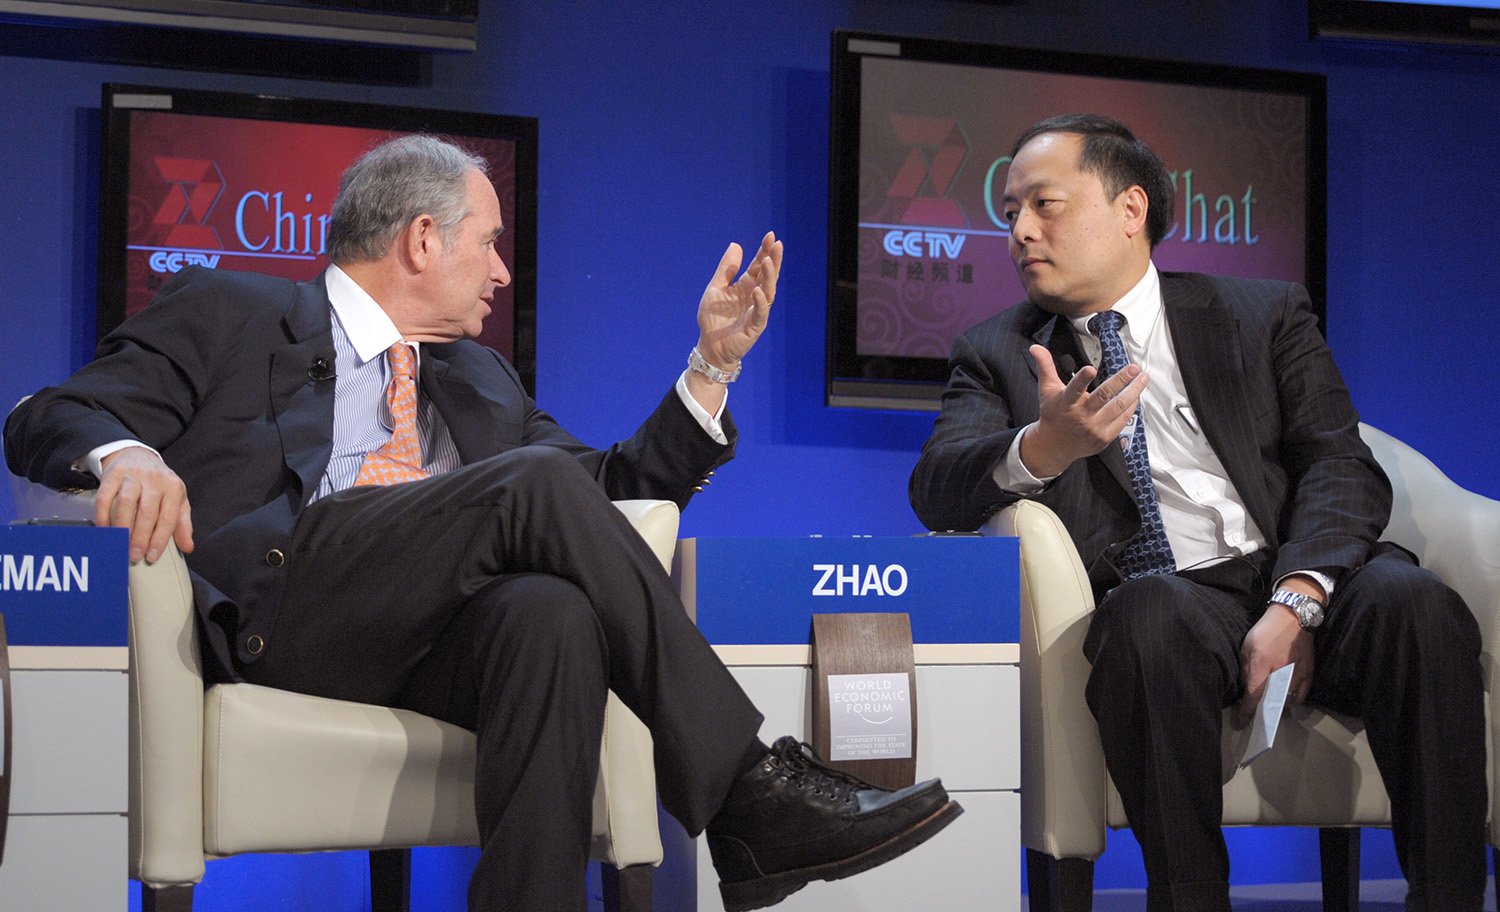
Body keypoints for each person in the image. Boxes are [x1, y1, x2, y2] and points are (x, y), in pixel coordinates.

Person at [6, 135, 963, 912]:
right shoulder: (232, 308)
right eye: (489, 243)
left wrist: (710, 370)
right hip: (284, 606)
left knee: (550, 611)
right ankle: (749, 788)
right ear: (423, 239)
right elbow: (46, 417)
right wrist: (124, 454)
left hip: (427, 638)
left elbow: (613, 488)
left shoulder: (480, 379)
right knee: (534, 488)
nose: (501, 272)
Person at [909, 114, 1484, 911]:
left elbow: (1341, 463)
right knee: (1147, 618)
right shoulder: (998, 350)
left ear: (1130, 209)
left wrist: (1299, 598)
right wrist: (1044, 446)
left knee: (1416, 605)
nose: (1020, 231)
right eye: (1009, 212)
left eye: (1044, 204)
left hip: (1300, 573)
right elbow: (936, 487)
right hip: (1173, 603)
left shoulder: (1261, 312)